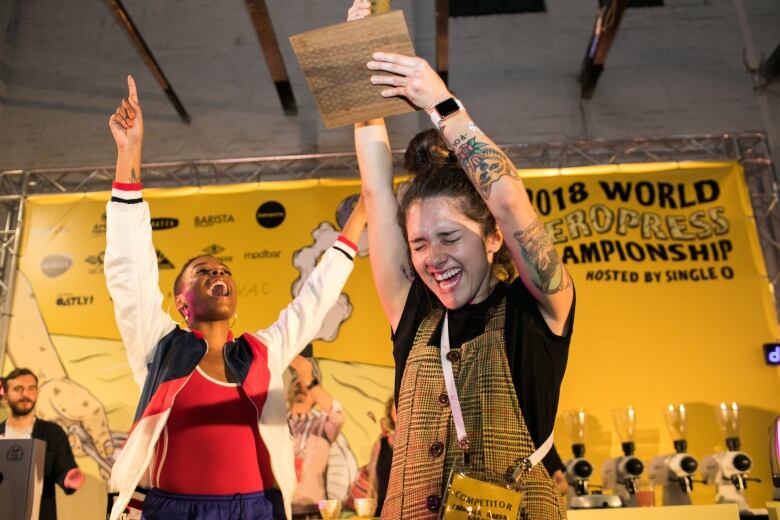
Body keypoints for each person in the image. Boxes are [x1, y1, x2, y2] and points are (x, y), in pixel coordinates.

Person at [348, 1, 575, 518]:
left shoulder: (535, 311)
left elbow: (509, 199)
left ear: (494, 237)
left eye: (450, 236)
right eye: (420, 243)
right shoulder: (412, 316)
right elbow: (375, 191)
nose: (434, 258)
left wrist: (441, 104)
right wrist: (359, 64)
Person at [104, 76, 366, 520]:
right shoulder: (159, 347)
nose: (218, 274)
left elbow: (316, 297)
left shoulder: (263, 351)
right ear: (182, 303)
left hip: (258, 509)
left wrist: (362, 213)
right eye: (203, 272)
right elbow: (130, 270)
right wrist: (128, 152)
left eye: (223, 270)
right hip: (174, 511)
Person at [0, 368, 85, 520]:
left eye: (31, 388)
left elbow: (63, 471)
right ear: (5, 394)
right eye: (18, 388)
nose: (25, 394)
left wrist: (68, 478)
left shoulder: (53, 433)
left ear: (37, 393)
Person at [287, 355, 345, 517]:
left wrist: (309, 380)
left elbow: (337, 413)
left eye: (305, 386)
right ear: (288, 393)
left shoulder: (322, 425)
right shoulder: (277, 424)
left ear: (316, 397)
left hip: (313, 511)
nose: (300, 386)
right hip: (279, 508)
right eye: (296, 384)